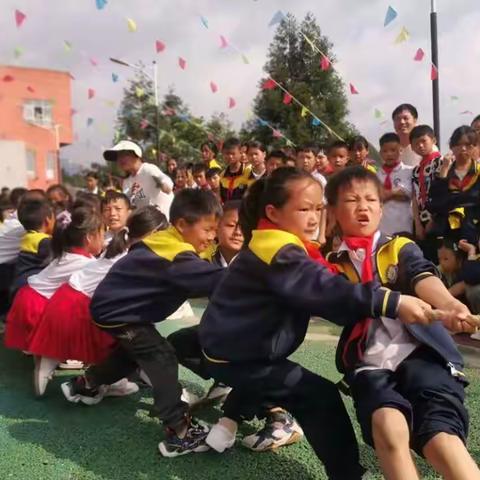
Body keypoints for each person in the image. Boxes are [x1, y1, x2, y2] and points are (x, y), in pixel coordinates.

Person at [198, 167, 434, 479]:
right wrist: (392, 302)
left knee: (276, 375)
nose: (313, 217)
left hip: (238, 346)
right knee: (317, 395)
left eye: (318, 209)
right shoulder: (279, 249)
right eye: (304, 209)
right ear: (274, 212)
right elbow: (323, 289)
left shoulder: (278, 242)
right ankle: (348, 474)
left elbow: (326, 294)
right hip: (238, 354)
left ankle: (229, 421)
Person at [325, 166, 480, 480]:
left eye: (371, 199)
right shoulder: (329, 263)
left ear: (382, 210)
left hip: (424, 352)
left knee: (441, 437)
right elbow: (334, 302)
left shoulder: (398, 247)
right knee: (386, 425)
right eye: (352, 200)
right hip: (369, 363)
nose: (364, 206)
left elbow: (422, 275)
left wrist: (450, 305)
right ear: (333, 211)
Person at [61, 189, 225, 458]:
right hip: (120, 314)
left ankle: (85, 384)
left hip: (111, 310)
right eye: (208, 229)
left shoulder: (165, 240)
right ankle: (179, 432)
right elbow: (212, 278)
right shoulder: (178, 254)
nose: (212, 237)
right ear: (182, 225)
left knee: (134, 354)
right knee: (161, 356)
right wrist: (256, 276)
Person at [29, 206, 168, 397]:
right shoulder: (134, 255)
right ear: (153, 233)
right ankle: (115, 382)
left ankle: (53, 361)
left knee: (109, 342)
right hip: (80, 303)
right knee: (116, 340)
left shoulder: (120, 246)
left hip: (67, 296)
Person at [4, 207, 104, 353]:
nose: (103, 240)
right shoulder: (85, 263)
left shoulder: (69, 254)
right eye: (101, 235)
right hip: (36, 307)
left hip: (27, 299)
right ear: (89, 237)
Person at [428, 126, 480, 244]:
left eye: (468, 145)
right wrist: (444, 171)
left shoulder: (478, 172)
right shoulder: (443, 172)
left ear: (475, 147)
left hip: (474, 232)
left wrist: (452, 200)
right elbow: (434, 204)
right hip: (447, 234)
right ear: (452, 147)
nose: (463, 149)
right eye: (458, 145)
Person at [103, 140, 174, 219]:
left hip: (167, 221)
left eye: (124, 155)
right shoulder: (127, 182)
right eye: (118, 157)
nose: (120, 160)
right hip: (148, 224)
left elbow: (166, 183)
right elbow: (127, 204)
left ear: (136, 154)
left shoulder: (148, 169)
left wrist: (164, 185)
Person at [410, 125, 442, 260]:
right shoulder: (415, 170)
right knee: (425, 257)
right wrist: (417, 223)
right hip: (421, 220)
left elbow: (443, 192)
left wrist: (433, 218)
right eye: (416, 144)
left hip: (439, 218)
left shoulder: (440, 162)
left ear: (433, 140)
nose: (421, 146)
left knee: (440, 258)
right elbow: (414, 197)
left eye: (424, 141)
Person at [11, 199, 55, 295]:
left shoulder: (26, 237)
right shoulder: (45, 241)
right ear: (48, 220)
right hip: (31, 288)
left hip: (18, 284)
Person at [376, 132, 413, 236]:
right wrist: (395, 192)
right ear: (380, 153)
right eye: (385, 151)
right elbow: (376, 198)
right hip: (382, 227)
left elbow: (407, 194)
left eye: (393, 150)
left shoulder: (409, 171)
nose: (389, 154)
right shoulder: (376, 175)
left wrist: (386, 194)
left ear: (401, 150)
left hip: (404, 225)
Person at [220, 138, 252, 203]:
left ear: (240, 152)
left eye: (233, 153)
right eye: (227, 154)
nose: (230, 156)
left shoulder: (248, 172)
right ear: (223, 154)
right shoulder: (222, 175)